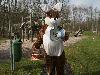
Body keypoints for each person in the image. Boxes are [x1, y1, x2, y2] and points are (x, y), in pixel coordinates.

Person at [41, 2, 69, 75]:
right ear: (47, 17)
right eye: (51, 17)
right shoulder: (44, 28)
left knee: (60, 69)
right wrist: (37, 45)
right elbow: (40, 37)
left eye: (56, 18)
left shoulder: (59, 28)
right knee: (50, 70)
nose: (54, 20)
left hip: (59, 53)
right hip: (48, 54)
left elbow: (65, 37)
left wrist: (65, 35)